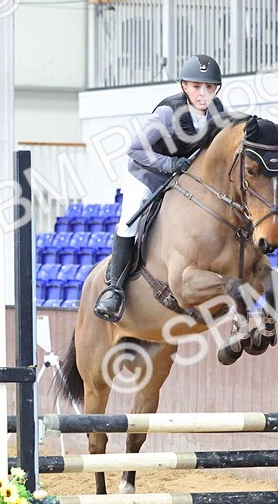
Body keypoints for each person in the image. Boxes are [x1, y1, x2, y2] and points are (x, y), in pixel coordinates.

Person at [93, 53, 228, 322]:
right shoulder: (168, 113)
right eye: (196, 86)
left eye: (209, 87)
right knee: (129, 222)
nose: (203, 93)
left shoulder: (217, 113)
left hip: (181, 180)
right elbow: (135, 149)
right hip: (146, 176)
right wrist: (169, 165)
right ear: (184, 87)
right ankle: (114, 289)